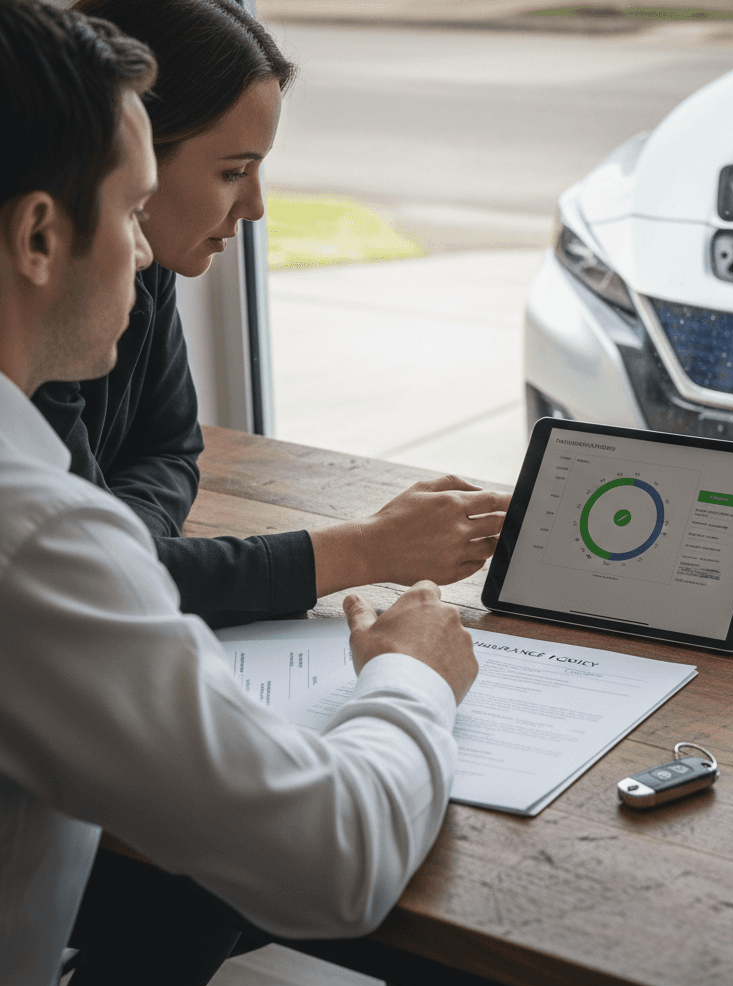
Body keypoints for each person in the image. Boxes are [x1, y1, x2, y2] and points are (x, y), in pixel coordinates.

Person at [0, 4, 480, 986]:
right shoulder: (28, 535)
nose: (143, 251)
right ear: (40, 234)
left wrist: (115, 552)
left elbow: (168, 449)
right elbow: (336, 861)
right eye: (133, 212)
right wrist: (413, 673)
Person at [33, 0, 510, 635]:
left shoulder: (146, 265)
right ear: (130, 145)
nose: (255, 207)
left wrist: (126, 547)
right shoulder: (31, 330)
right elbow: (93, 581)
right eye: (234, 172)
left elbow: (169, 448)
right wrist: (366, 550)